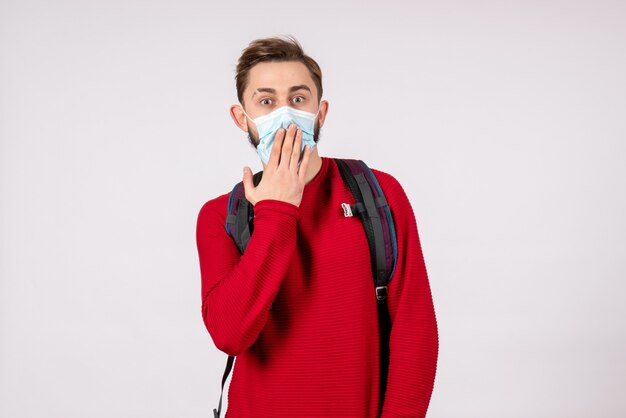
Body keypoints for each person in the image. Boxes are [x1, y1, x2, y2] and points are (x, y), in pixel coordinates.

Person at [196, 36, 438, 417]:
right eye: (266, 101)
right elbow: (230, 334)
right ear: (242, 118)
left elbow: (415, 332)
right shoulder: (219, 215)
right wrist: (277, 211)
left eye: (298, 99)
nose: (285, 113)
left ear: (320, 112)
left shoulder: (380, 194)